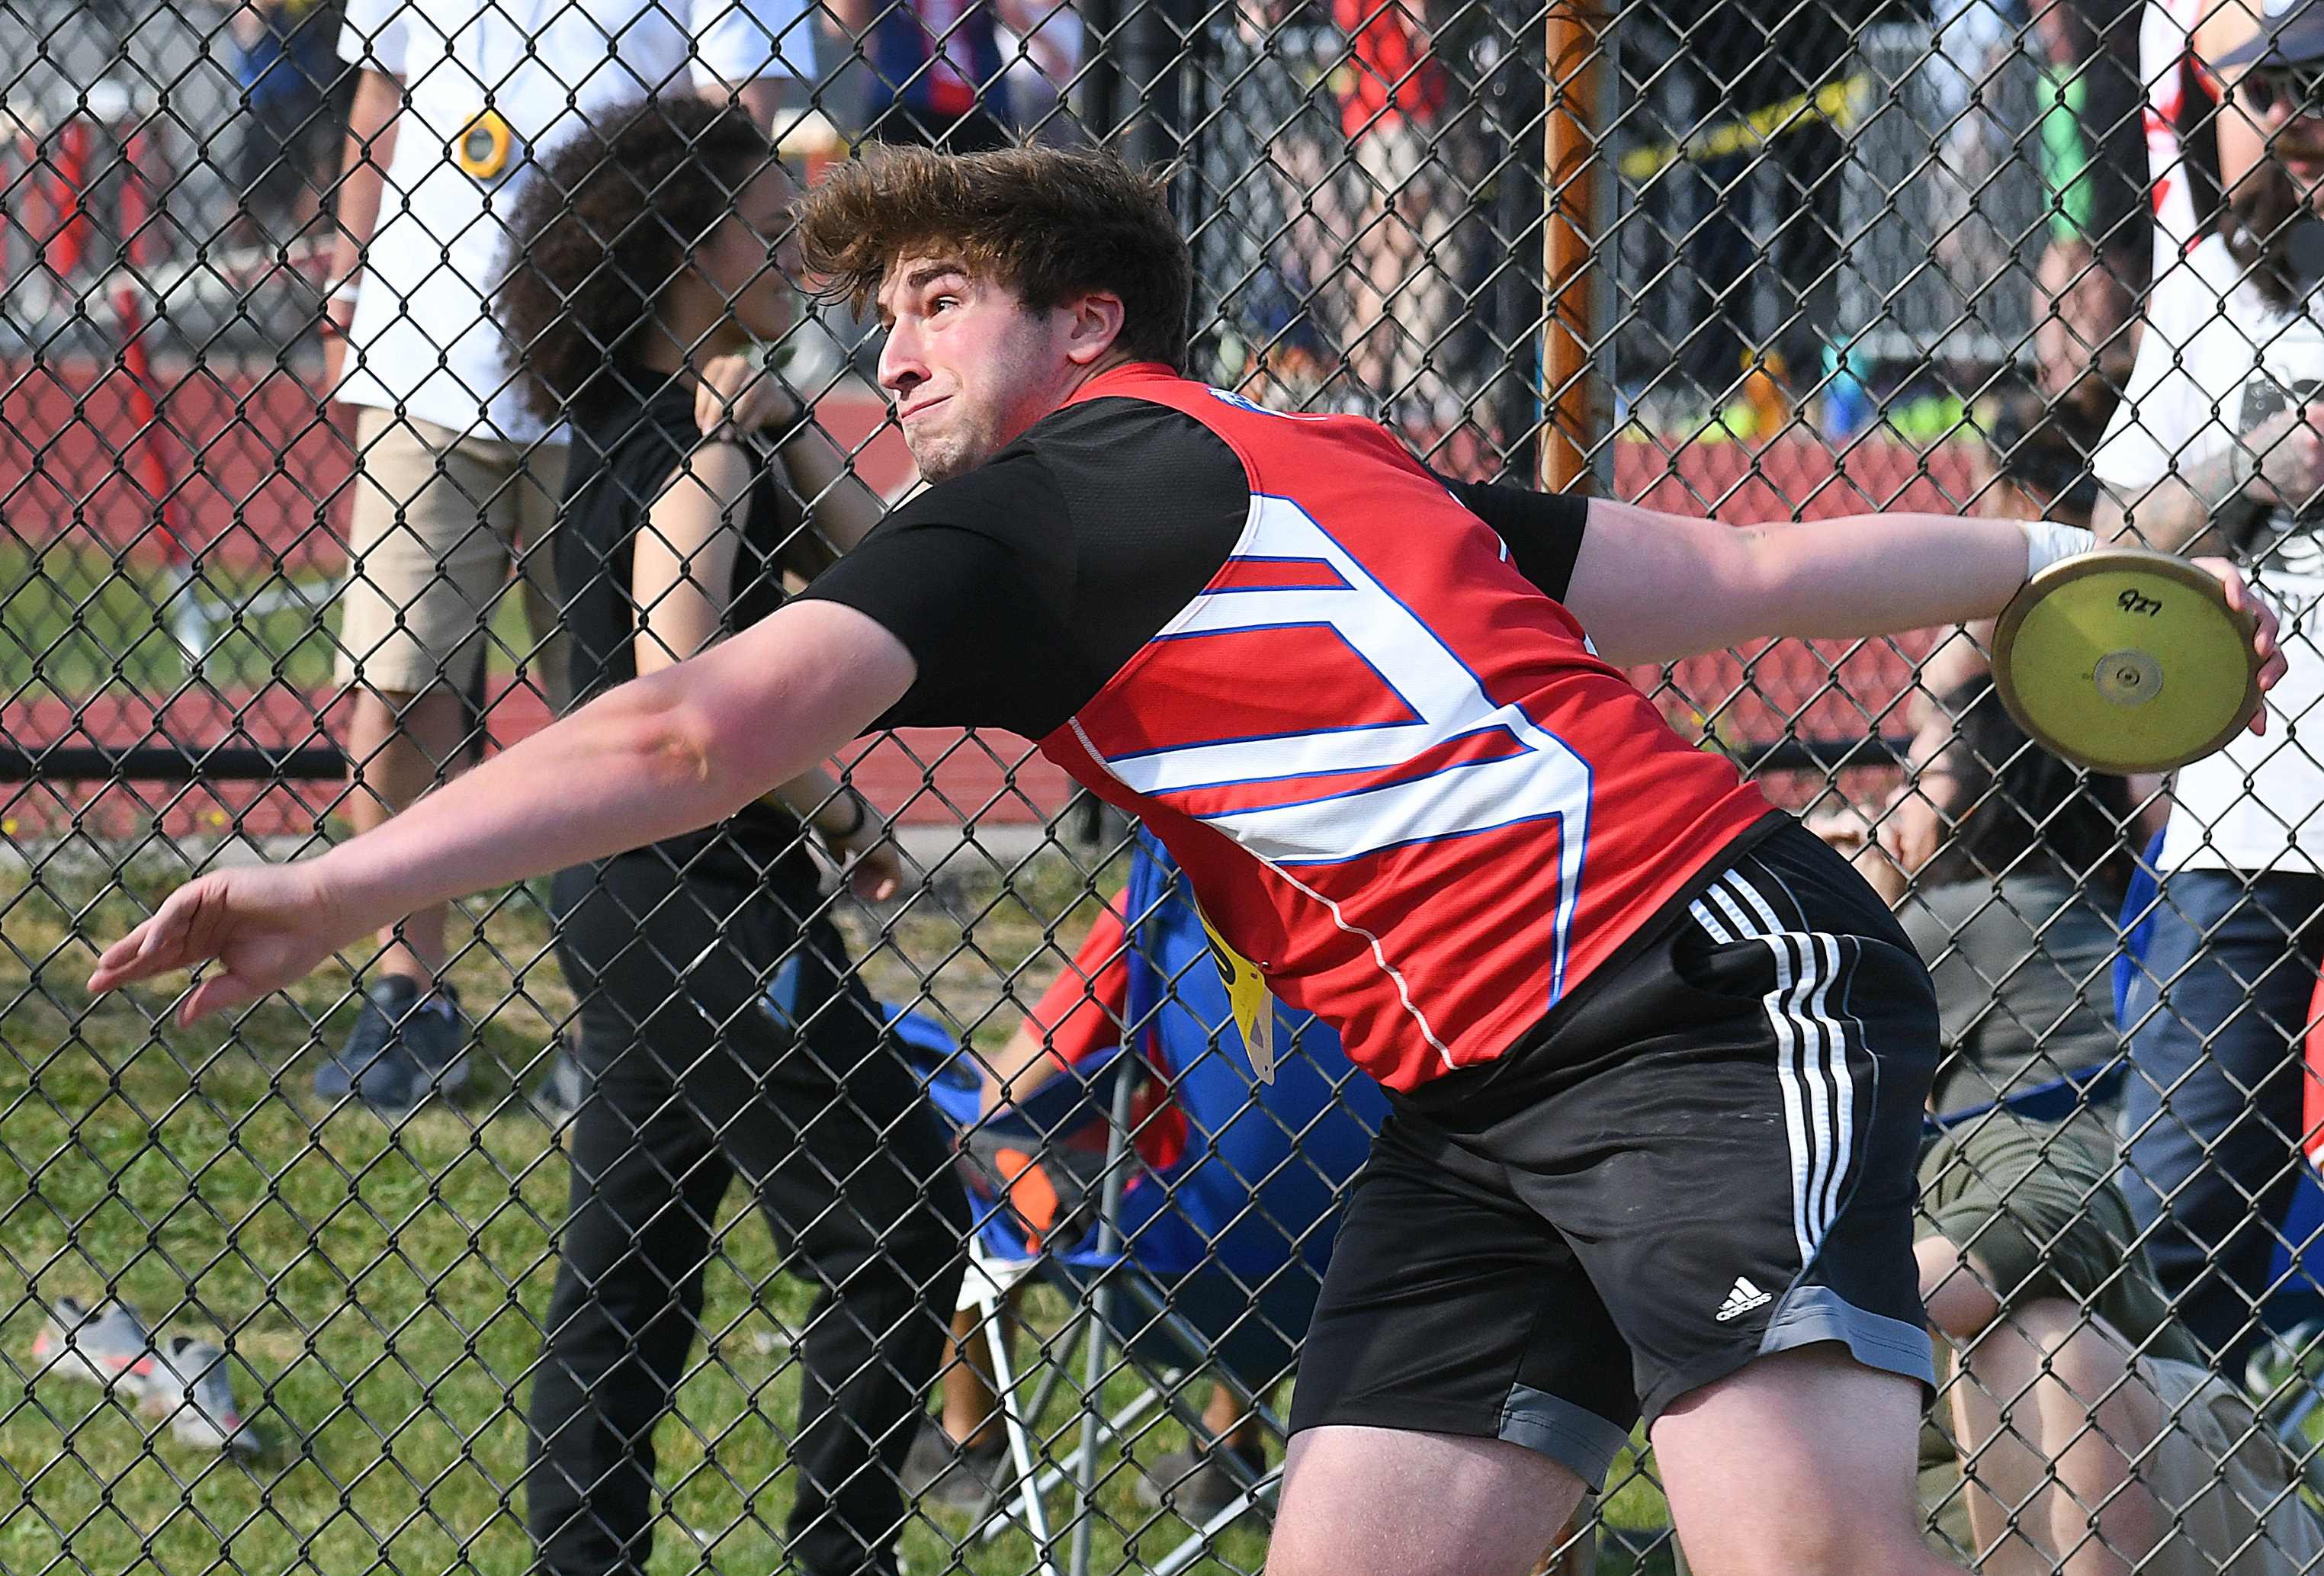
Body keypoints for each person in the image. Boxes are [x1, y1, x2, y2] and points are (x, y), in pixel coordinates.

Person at [87, 145, 2285, 1576]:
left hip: (1698, 994)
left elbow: (689, 724)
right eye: (886, 311)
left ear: (1090, 331)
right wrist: (2060, 550)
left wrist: (349, 881)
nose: (893, 346)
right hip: (1484, 1100)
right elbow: (1739, 562)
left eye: (942, 297)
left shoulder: (1063, 497)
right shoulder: (1317, 465)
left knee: (1797, 1547)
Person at [493, 101, 966, 1576]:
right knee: (894, 1218)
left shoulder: (676, 430)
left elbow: (865, 562)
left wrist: (770, 429)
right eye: (769, 231)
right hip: (704, 902)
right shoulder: (680, 457)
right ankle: (843, 1551)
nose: (797, 252)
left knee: (630, 1256)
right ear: (687, 258)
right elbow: (675, 673)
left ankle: (587, 1555)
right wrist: (836, 806)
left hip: (638, 901)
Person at [313, 0, 809, 1112]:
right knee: (400, 689)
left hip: (615, 367)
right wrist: (350, 279)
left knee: (619, 700)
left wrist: (710, 329)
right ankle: (410, 987)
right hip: (423, 352)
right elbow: (380, 99)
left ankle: (620, 1004)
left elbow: (736, 118)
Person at [2088, 0, 2324, 1364]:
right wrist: (2257, 473)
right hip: (2250, 812)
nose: (2283, 118)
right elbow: (2117, 543)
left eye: (2308, 86)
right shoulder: (2221, 284)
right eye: (2258, 92)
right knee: (2176, 1221)